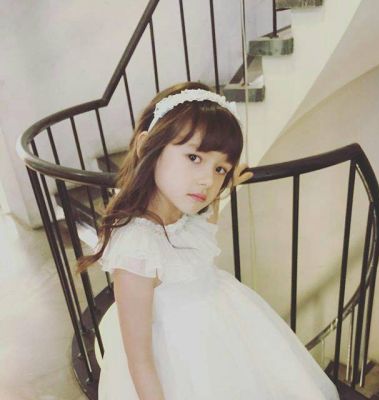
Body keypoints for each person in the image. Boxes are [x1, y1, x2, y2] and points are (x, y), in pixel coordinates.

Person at [77, 81, 340, 399]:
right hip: (181, 362)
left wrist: (225, 189)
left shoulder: (184, 219)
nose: (207, 180)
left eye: (220, 169)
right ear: (147, 146)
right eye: (194, 157)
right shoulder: (137, 248)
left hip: (222, 333)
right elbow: (141, 362)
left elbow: (199, 239)